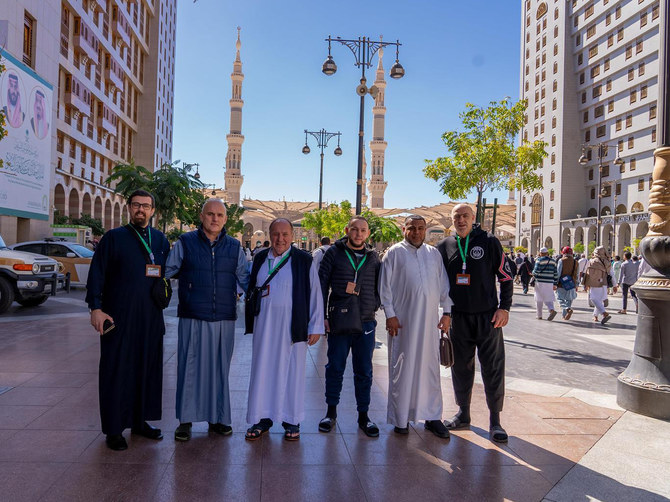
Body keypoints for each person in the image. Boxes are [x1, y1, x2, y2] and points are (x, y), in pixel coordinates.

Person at [86, 190, 170, 451]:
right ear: (129, 208)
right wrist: (95, 308)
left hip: (150, 317)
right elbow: (97, 274)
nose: (140, 210)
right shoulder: (114, 238)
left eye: (146, 206)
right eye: (136, 205)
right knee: (116, 371)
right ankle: (113, 429)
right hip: (118, 317)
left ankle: (139, 422)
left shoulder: (160, 240)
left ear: (153, 210)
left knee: (146, 370)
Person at [165, 199, 249, 442]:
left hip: (223, 316)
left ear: (225, 219)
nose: (215, 218)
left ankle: (218, 418)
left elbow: (246, 279)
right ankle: (185, 421)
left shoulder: (234, 247)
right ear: (201, 216)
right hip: (192, 314)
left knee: (219, 369)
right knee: (189, 368)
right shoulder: (185, 242)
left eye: (220, 215)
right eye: (210, 214)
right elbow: (168, 270)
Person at [436, 204, 513, 444]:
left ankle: (495, 421)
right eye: (456, 217)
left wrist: (504, 307)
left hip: (488, 317)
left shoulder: (489, 241)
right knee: (460, 367)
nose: (461, 220)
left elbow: (506, 275)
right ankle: (463, 413)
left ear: (473, 218)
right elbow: (436, 281)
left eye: (465, 216)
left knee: (492, 367)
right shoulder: (444, 246)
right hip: (458, 318)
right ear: (451, 220)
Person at [245, 218, 324, 441]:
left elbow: (315, 293)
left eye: (285, 234)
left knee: (292, 372)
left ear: (292, 236)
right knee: (263, 370)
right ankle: (262, 418)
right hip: (265, 326)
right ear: (270, 235)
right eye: (276, 234)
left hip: (293, 327)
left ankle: (291, 419)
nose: (280, 239)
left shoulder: (303, 260)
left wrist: (316, 325)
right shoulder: (261, 257)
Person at [379, 215, 452, 438]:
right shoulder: (394, 253)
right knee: (402, 368)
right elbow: (385, 288)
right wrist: (390, 315)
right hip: (403, 324)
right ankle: (401, 419)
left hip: (429, 324)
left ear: (426, 230)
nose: (416, 232)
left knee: (429, 370)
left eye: (420, 228)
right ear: (404, 229)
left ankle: (432, 417)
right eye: (412, 228)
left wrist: (447, 313)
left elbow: (443, 287)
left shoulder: (433, 254)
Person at [317, 217, 381, 437]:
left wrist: (374, 305)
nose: (358, 234)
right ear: (347, 230)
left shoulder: (374, 257)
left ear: (368, 234)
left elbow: (379, 285)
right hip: (340, 321)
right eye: (354, 229)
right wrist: (323, 316)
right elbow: (321, 286)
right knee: (335, 367)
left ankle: (364, 416)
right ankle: (330, 413)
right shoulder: (333, 253)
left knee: (364, 371)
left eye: (363, 230)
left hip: (365, 321)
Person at [584, 246, 616, 325]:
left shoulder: (592, 261)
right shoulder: (608, 262)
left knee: (594, 298)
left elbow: (587, 273)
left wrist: (585, 284)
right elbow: (612, 274)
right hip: (604, 283)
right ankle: (595, 315)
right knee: (599, 300)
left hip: (594, 283)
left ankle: (604, 313)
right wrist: (615, 285)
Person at [532, 247, 558, 320]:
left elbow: (536, 271)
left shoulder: (539, 260)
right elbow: (556, 273)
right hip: (550, 282)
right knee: (549, 297)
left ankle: (539, 315)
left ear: (540, 253)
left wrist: (533, 273)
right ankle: (551, 310)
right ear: (547, 253)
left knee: (538, 298)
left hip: (540, 282)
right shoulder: (553, 261)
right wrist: (555, 283)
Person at [556, 246, 579, 320]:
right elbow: (577, 274)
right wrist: (576, 285)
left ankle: (567, 309)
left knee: (559, 298)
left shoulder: (561, 261)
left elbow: (558, 273)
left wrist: (555, 282)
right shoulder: (576, 262)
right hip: (572, 283)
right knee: (569, 299)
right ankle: (564, 316)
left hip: (561, 283)